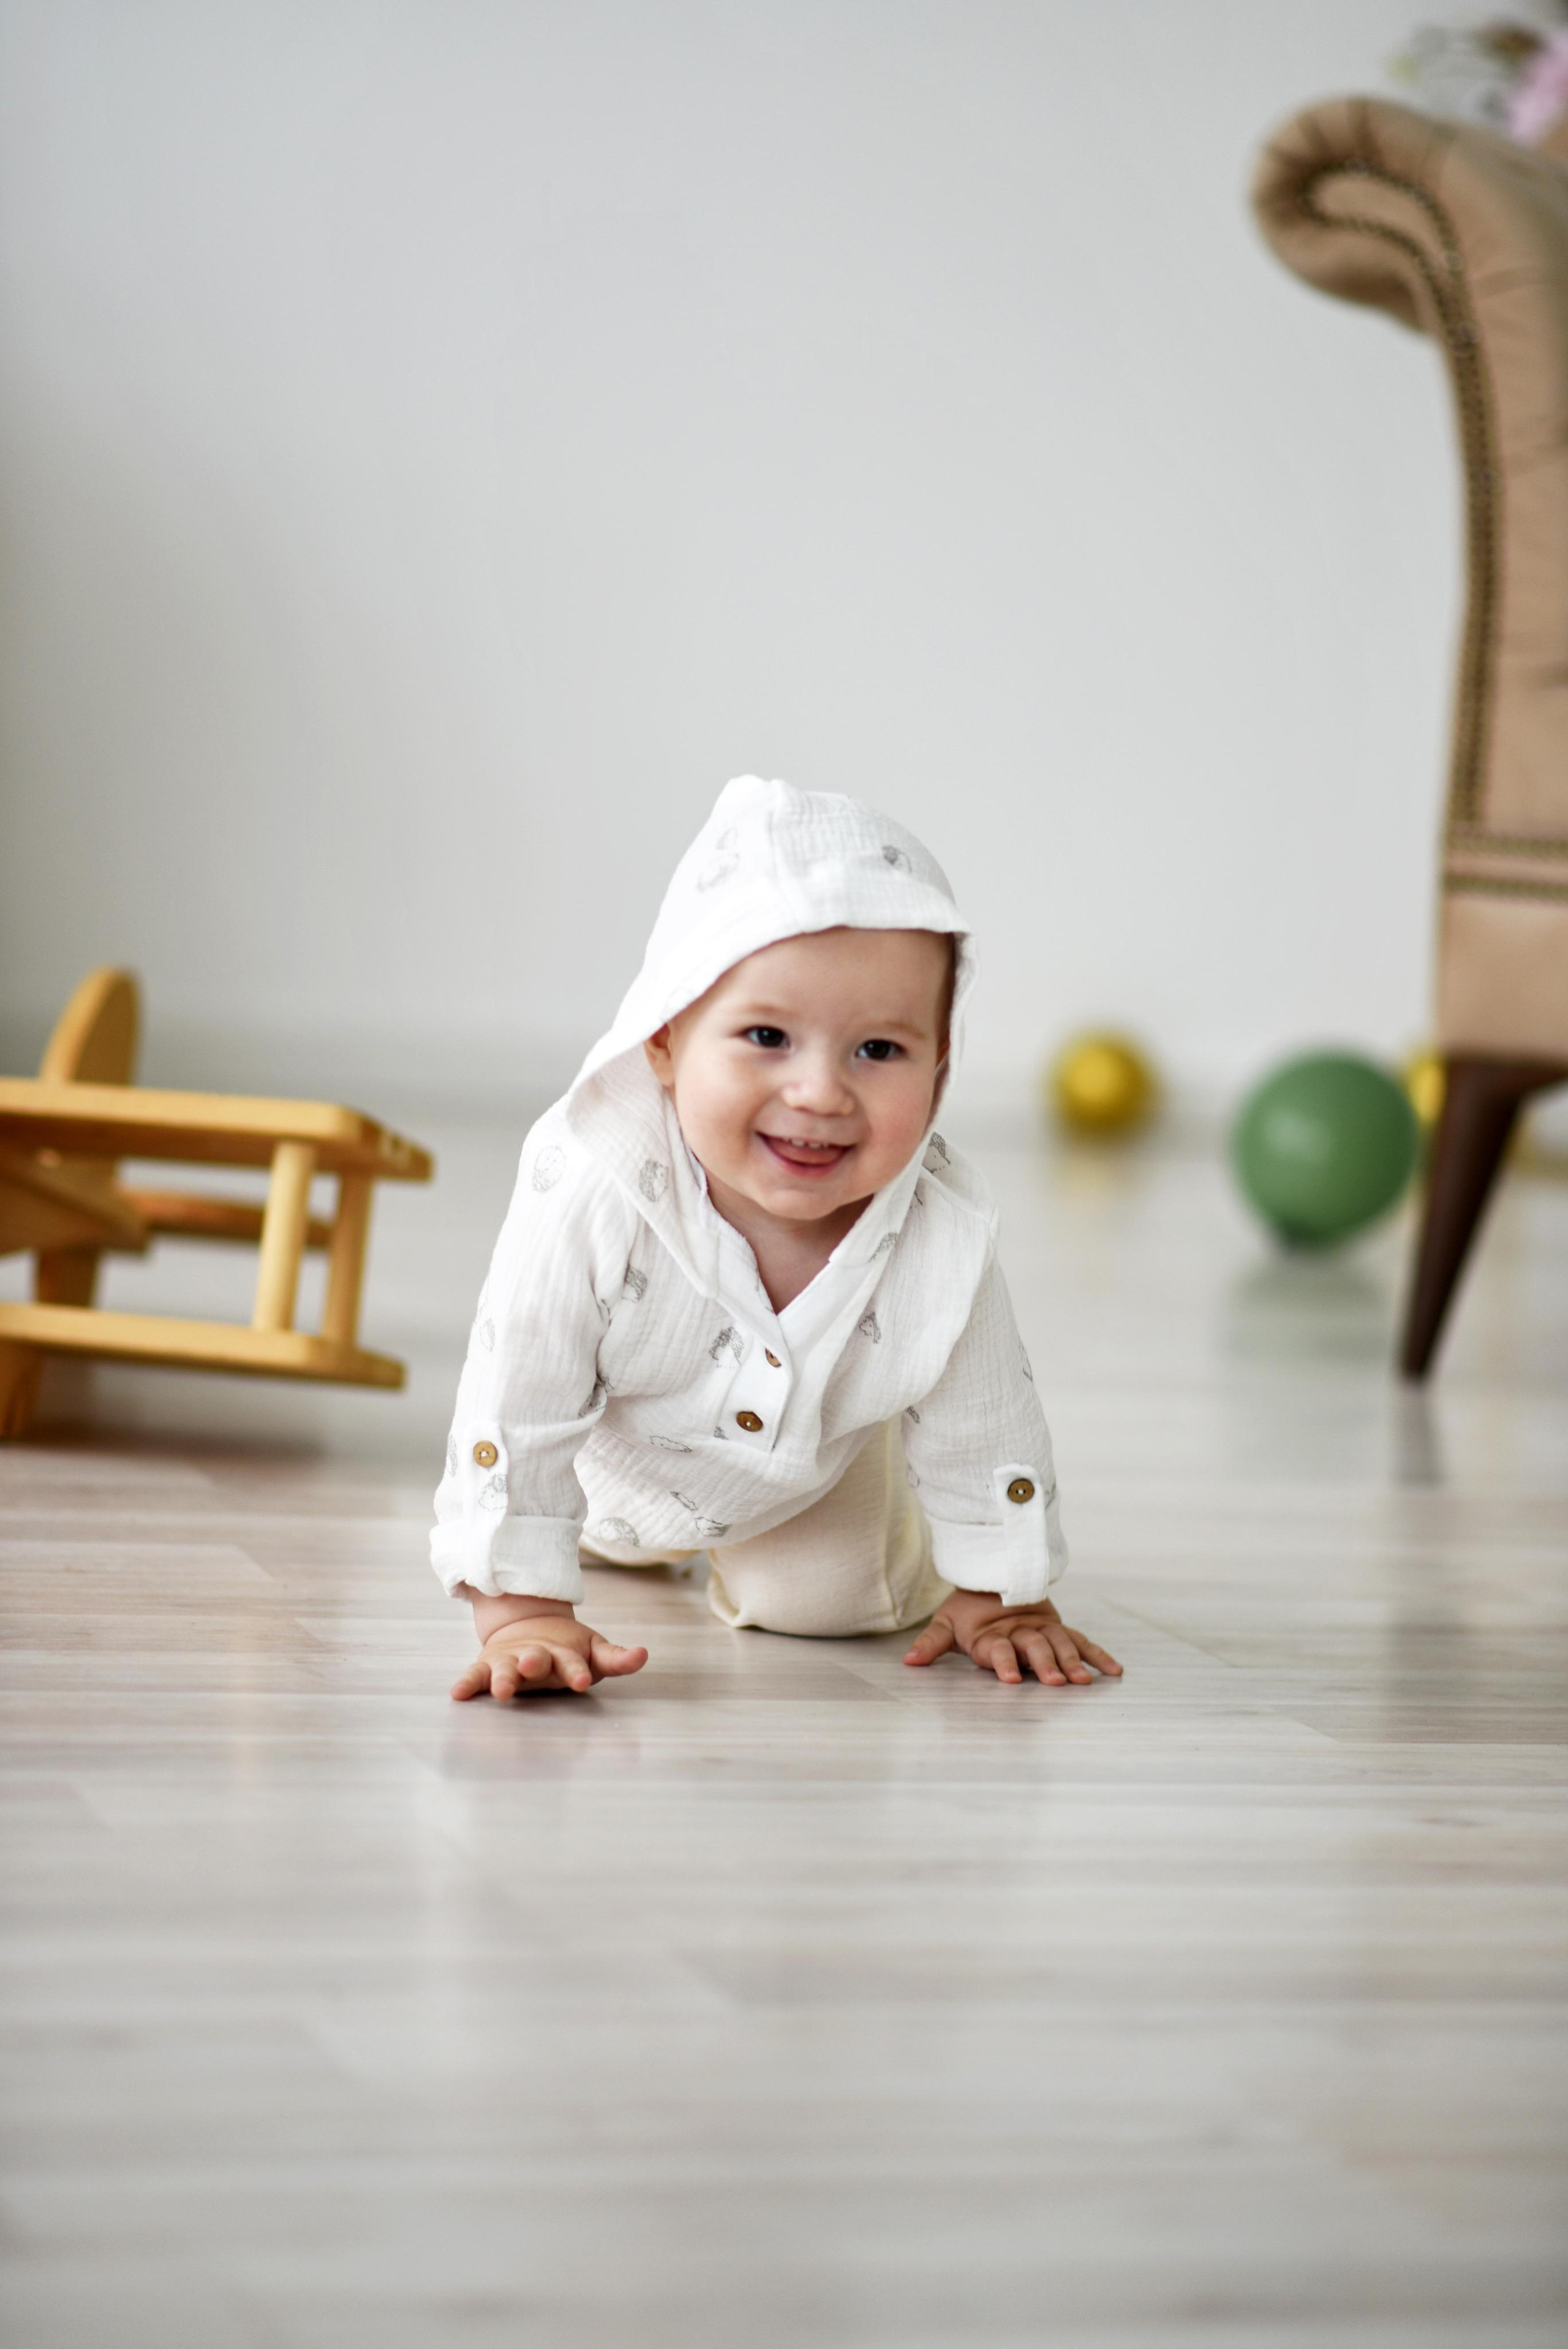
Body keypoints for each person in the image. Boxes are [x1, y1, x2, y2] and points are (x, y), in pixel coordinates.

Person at [433, 776, 1123, 1701]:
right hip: (610, 1451)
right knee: (580, 1522)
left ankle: (859, 1512)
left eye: (879, 1051)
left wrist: (1001, 1594)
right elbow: (518, 1391)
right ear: (666, 1040)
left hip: (808, 1466)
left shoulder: (939, 1228)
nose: (820, 1093)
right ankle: (610, 1538)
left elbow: (987, 1414)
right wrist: (519, 1606)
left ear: (942, 1066)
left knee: (834, 1606)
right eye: (767, 1035)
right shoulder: (593, 1181)